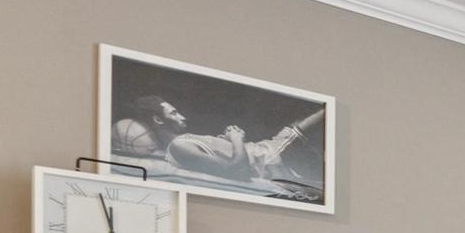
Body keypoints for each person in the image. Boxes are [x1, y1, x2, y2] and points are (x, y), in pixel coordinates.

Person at [113, 94, 322, 187]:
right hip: (269, 159)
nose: (182, 116)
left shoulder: (186, 139)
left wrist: (226, 140)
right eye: (174, 113)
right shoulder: (178, 147)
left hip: (265, 149)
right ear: (158, 119)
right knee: (300, 129)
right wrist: (236, 138)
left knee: (304, 123)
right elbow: (237, 170)